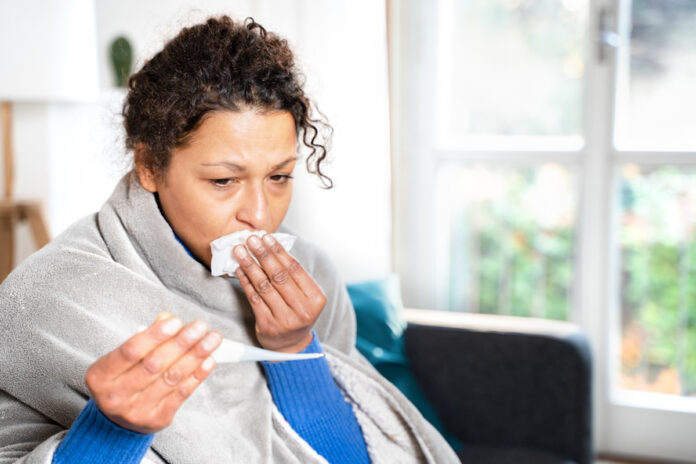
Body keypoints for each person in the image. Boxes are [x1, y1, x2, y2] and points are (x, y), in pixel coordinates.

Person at [0, 16, 458, 464]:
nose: (260, 216)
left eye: (279, 176)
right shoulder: (46, 300)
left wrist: (297, 352)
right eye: (223, 181)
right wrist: (111, 434)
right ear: (149, 167)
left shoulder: (313, 276)